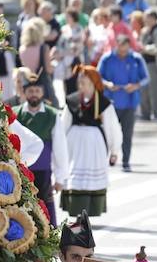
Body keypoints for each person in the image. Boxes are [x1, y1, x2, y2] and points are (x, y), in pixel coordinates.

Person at [60, 66, 121, 218]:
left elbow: (112, 127)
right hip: (74, 145)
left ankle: (90, 210)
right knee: (75, 176)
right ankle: (76, 209)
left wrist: (114, 150)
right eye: (80, 83)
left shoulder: (104, 104)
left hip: (95, 146)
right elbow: (63, 125)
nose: (82, 86)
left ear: (94, 84)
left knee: (91, 177)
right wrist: (59, 148)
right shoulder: (72, 101)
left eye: (85, 83)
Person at [16, 74, 68, 225]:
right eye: (30, 91)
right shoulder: (15, 114)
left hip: (43, 172)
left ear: (43, 93)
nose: (34, 94)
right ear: (24, 93)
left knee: (45, 206)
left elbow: (60, 147)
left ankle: (49, 240)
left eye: (37, 91)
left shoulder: (52, 115)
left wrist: (60, 177)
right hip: (20, 170)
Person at [98, 35, 149, 172]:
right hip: (111, 103)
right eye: (120, 47)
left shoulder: (136, 59)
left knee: (127, 134)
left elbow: (146, 78)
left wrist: (136, 85)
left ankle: (126, 161)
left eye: (126, 48)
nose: (123, 51)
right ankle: (108, 158)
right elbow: (97, 76)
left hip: (129, 103)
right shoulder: (107, 58)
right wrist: (107, 84)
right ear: (117, 45)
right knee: (108, 132)